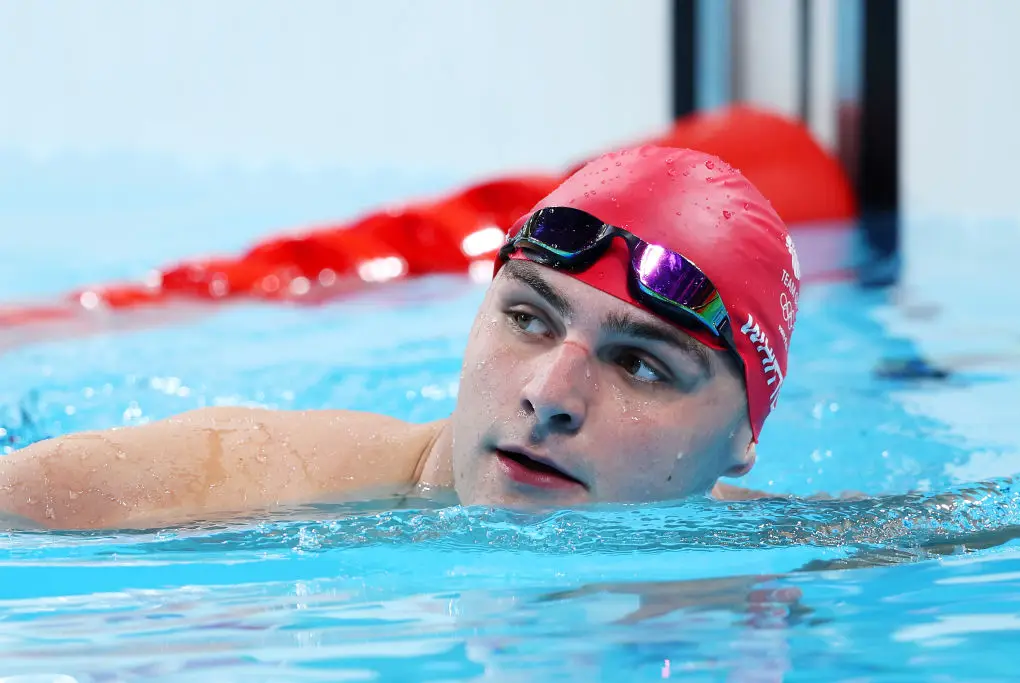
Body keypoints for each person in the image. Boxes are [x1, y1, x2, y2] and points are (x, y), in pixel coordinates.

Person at [0, 144, 800, 530]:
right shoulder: (247, 483)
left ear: (742, 439)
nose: (549, 394)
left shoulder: (792, 546)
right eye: (528, 318)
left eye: (640, 365)